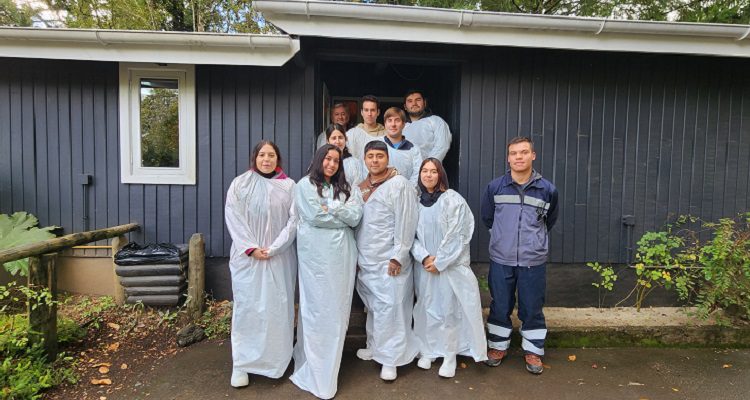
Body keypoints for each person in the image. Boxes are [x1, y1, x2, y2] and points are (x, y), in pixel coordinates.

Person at [480, 136, 558, 375]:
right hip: (501, 258)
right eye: (514, 153)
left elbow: (549, 221)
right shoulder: (496, 187)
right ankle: (497, 346)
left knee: (532, 306)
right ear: (508, 158)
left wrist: (533, 242)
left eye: (524, 152)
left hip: (532, 260)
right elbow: (488, 218)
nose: (519, 157)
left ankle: (533, 350)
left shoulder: (547, 190)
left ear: (533, 155)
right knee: (500, 304)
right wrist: (504, 240)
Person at [290, 144, 363, 399]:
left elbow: (355, 217)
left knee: (337, 310)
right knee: (318, 309)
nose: (332, 164)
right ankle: (317, 370)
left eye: (336, 161)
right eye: (328, 159)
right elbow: (313, 216)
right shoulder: (304, 185)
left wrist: (331, 207)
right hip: (316, 259)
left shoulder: (347, 188)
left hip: (342, 257)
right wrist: (340, 215)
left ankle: (330, 365)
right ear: (319, 159)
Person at [224, 140, 298, 387]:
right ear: (255, 158)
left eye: (271, 155)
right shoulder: (240, 184)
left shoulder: (289, 186)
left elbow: (294, 221)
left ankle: (277, 360)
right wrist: (251, 248)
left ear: (278, 159)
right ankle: (242, 364)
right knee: (248, 309)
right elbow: (233, 216)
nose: (267, 159)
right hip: (248, 259)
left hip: (279, 257)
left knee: (278, 308)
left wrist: (275, 247)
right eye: (262, 155)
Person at [411, 158, 488, 378]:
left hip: (448, 267)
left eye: (433, 171)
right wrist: (424, 257)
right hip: (425, 267)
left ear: (441, 175)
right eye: (424, 171)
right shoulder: (415, 202)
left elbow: (459, 234)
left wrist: (440, 261)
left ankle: (449, 355)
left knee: (448, 311)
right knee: (426, 309)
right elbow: (409, 235)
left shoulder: (452, 200)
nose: (428, 175)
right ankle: (428, 350)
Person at [355, 140, 420, 381]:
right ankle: (374, 347)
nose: (375, 160)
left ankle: (391, 359)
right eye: (370, 156)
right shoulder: (360, 187)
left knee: (391, 309)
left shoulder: (399, 184)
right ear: (364, 159)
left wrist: (398, 256)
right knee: (374, 308)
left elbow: (406, 221)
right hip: (366, 259)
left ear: (387, 159)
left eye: (379, 156)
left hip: (389, 259)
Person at [402, 90, 452, 161]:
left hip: (428, 167)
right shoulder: (399, 125)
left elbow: (442, 146)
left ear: (425, 103)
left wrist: (428, 164)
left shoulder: (436, 121)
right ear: (405, 106)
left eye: (418, 100)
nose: (414, 103)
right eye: (410, 101)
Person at [381, 107, 422, 185]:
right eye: (389, 120)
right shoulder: (376, 145)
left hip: (407, 191)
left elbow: (417, 174)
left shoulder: (413, 149)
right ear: (385, 124)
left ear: (403, 124)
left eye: (397, 120)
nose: (393, 124)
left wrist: (407, 189)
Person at [325, 123, 367, 187]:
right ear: (327, 141)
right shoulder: (322, 161)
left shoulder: (354, 163)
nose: (337, 141)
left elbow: (358, 186)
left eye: (340, 137)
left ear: (346, 139)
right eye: (334, 138)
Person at [346, 95, 386, 160]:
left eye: (372, 110)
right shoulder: (352, 134)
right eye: (366, 110)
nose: (369, 114)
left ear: (378, 112)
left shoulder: (386, 134)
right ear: (362, 112)